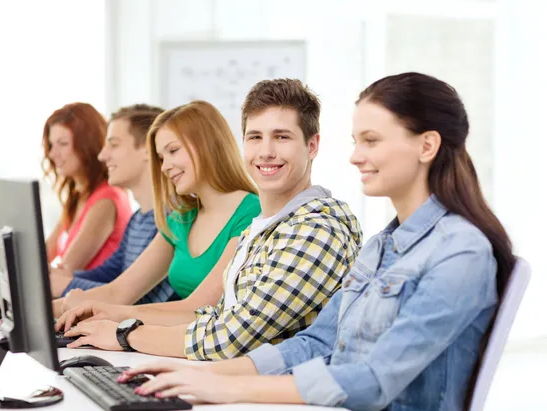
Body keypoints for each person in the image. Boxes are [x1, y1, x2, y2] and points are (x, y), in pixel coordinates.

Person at [117, 72, 516, 411]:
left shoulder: (460, 252)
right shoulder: (383, 245)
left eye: (371, 141)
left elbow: (375, 380)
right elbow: (316, 343)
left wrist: (226, 386)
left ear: (426, 146)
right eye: (356, 141)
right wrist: (200, 374)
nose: (355, 156)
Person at [57, 79, 362, 361]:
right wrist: (108, 314)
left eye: (281, 137)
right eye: (255, 137)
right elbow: (213, 315)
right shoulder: (263, 229)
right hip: (233, 380)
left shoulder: (317, 228)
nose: (266, 151)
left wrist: (125, 332)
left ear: (312, 145)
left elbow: (231, 336)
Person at [0, 102, 132, 287]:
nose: (52, 153)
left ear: (88, 145)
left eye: (63, 144)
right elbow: (42, 258)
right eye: (51, 144)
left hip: (85, 306)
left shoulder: (106, 200)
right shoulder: (78, 197)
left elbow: (64, 270)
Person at [49, 104, 176, 301]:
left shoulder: (172, 221)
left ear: (148, 149)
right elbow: (111, 274)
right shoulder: (138, 219)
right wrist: (65, 279)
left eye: (114, 145)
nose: (102, 155)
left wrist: (67, 285)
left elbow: (136, 299)